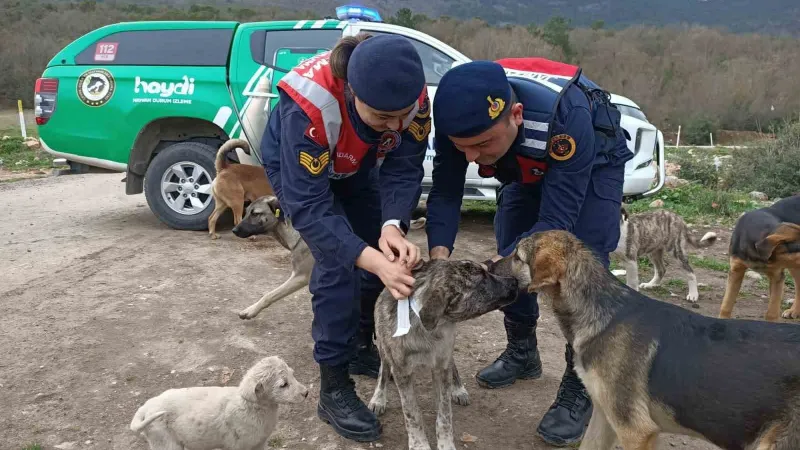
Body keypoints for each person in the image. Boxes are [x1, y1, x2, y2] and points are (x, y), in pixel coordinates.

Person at [425, 58, 633, 446]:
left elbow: (556, 223)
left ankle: (580, 384)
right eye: (462, 147)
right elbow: (446, 192)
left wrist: (495, 265)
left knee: (582, 262)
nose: (470, 157)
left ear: (515, 115)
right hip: (522, 164)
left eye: (481, 145)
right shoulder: (462, 120)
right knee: (510, 236)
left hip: (590, 166)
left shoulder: (566, 121)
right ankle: (523, 351)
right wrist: (439, 257)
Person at [259, 33, 431, 442]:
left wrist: (392, 225)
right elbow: (311, 208)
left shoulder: (413, 96)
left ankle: (358, 344)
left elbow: (405, 166)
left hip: (356, 164)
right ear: (351, 90)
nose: (394, 126)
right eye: (381, 117)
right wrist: (368, 257)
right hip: (302, 173)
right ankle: (333, 385)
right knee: (337, 265)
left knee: (377, 254)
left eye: (400, 116)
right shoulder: (309, 106)